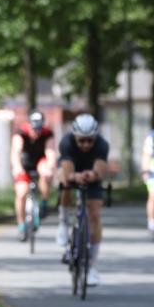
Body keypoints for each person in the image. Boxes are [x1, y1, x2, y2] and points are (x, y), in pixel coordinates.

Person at [56, 113, 109, 287]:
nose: (86, 144)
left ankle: (92, 266)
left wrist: (91, 175)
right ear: (75, 138)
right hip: (71, 171)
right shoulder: (66, 143)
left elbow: (100, 172)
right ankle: (63, 223)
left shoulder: (102, 145)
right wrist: (74, 177)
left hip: (90, 174)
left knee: (94, 214)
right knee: (64, 185)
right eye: (81, 141)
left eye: (90, 141)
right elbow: (67, 172)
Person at [10, 110, 56, 241]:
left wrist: (51, 166)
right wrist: (17, 168)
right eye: (34, 129)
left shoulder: (47, 133)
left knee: (46, 172)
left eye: (39, 129)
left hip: (40, 161)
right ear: (29, 125)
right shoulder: (20, 133)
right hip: (24, 163)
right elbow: (15, 153)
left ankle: (44, 203)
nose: (36, 132)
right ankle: (21, 225)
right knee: (21, 193)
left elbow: (50, 152)